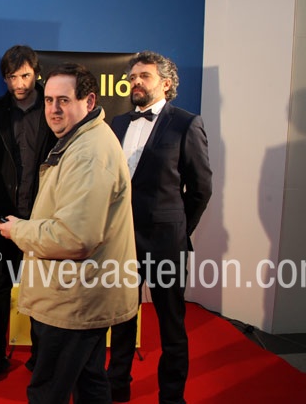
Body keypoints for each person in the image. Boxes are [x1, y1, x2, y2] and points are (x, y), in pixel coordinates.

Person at [0, 62, 138, 404]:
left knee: (49, 392)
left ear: (89, 102)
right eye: (48, 100)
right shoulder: (84, 140)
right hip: (80, 295)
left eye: (63, 100)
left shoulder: (89, 153)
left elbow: (75, 238)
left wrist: (19, 230)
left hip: (74, 300)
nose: (54, 109)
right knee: (90, 383)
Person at [106, 51, 213, 404]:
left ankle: (171, 396)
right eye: (133, 77)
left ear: (166, 83)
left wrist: (179, 230)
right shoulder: (117, 124)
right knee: (122, 319)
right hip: (122, 240)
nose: (135, 82)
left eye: (145, 76)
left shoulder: (186, 123)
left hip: (166, 243)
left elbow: (201, 188)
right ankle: (117, 386)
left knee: (171, 324)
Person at [0, 45, 56, 383]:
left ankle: (42, 357)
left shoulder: (54, 109)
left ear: (36, 73)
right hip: (2, 222)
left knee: (42, 291)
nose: (18, 83)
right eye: (11, 77)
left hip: (42, 221)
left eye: (24, 75)